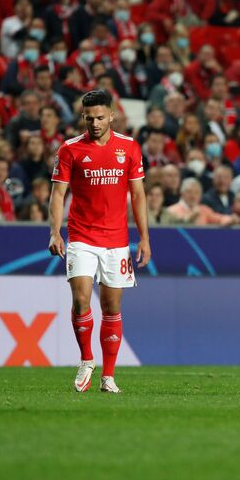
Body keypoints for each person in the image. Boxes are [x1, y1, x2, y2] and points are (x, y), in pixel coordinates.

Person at [48, 90, 150, 394]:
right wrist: (55, 232)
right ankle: (86, 360)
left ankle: (108, 376)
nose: (94, 123)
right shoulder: (70, 149)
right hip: (81, 236)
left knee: (111, 306)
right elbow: (58, 194)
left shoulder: (129, 147)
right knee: (81, 300)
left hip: (117, 240)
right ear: (83, 117)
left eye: (100, 117)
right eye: (89, 118)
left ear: (112, 116)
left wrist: (144, 238)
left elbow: (138, 195)